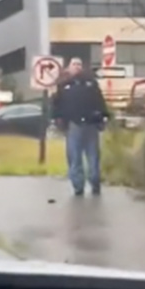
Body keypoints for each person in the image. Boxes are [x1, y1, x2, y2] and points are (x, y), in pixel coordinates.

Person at [52, 58, 111, 197]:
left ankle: (95, 182)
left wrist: (103, 117)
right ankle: (78, 186)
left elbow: (100, 102)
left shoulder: (91, 84)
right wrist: (58, 120)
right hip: (73, 125)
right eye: (74, 64)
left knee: (93, 157)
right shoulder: (63, 86)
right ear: (69, 68)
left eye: (79, 64)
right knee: (74, 157)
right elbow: (56, 105)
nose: (77, 67)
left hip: (91, 124)